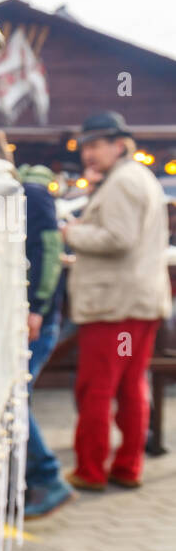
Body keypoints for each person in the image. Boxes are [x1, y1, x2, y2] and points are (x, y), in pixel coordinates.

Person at [62, 111, 172, 490]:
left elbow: (117, 239)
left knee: (97, 389)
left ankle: (90, 470)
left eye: (95, 145)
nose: (88, 153)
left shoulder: (123, 182)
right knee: (130, 387)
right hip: (137, 302)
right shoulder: (137, 178)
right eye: (85, 146)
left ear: (119, 144)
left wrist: (73, 233)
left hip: (113, 307)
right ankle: (127, 467)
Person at [17, 164, 72, 517]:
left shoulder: (32, 196)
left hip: (36, 319)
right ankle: (33, 480)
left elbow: (48, 253)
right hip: (37, 317)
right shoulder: (34, 196)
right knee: (15, 398)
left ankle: (49, 478)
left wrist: (36, 306)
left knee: (14, 398)